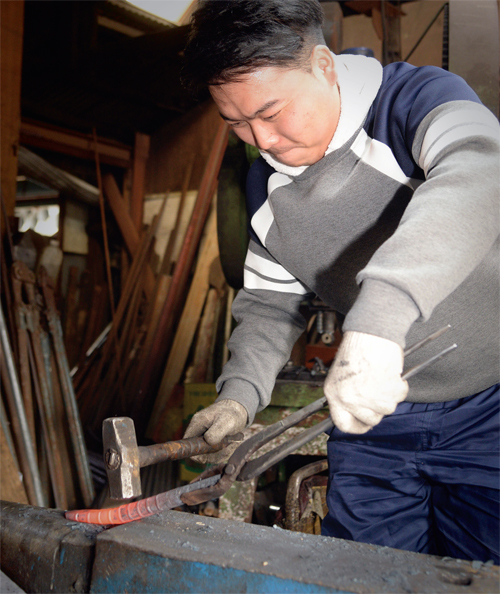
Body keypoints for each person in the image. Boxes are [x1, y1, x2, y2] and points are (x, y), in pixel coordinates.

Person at [182, 0, 500, 563]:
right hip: (371, 419)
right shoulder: (264, 193)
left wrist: (380, 320)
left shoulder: (420, 99)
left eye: (272, 111)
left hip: (489, 412)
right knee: (362, 572)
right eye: (236, 123)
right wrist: (239, 397)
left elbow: (480, 172)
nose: (262, 139)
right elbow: (269, 305)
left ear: (324, 67)